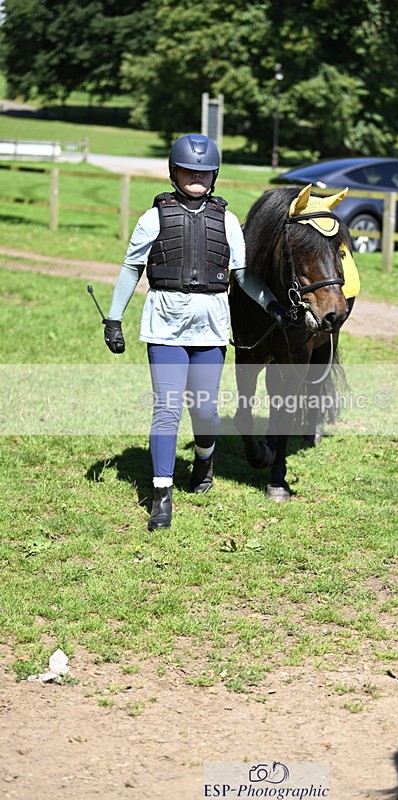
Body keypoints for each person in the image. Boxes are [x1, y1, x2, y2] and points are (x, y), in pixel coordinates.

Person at [103, 133, 294, 531]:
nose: (196, 177)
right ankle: (161, 495)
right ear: (173, 172)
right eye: (188, 170)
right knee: (168, 408)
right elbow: (130, 270)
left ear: (215, 177)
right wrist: (113, 318)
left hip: (209, 325)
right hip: (165, 323)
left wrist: (272, 305)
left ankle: (205, 458)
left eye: (204, 173)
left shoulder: (226, 221)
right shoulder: (152, 218)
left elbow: (242, 278)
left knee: (204, 409)